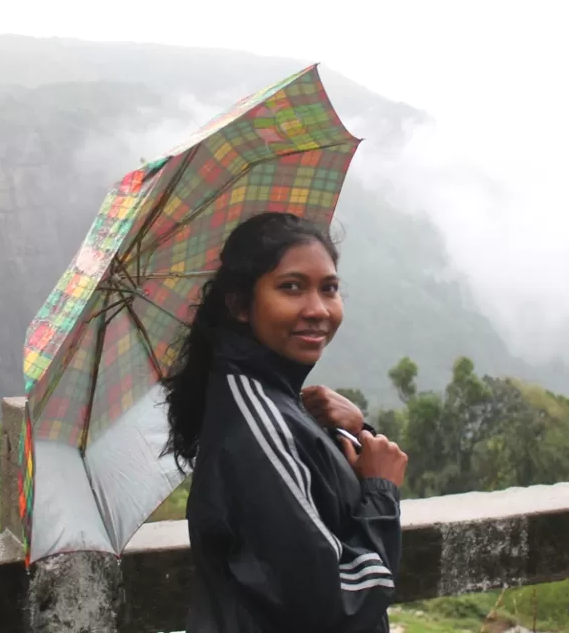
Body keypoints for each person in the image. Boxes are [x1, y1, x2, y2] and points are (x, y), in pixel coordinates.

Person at [161, 211, 408, 633]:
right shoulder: (261, 427)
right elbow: (336, 600)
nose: (317, 310)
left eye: (329, 289)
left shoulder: (268, 401)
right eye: (291, 287)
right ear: (240, 304)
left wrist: (351, 433)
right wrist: (381, 491)